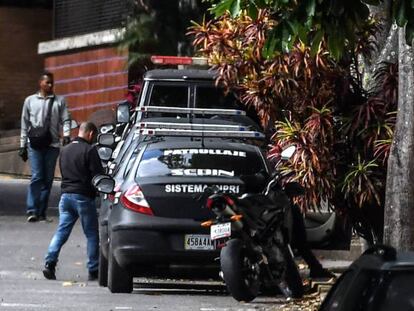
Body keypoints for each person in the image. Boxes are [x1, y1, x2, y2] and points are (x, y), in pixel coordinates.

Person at [42, 122, 104, 281]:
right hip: (83, 197)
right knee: (91, 234)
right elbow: (98, 175)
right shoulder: (89, 150)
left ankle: (49, 262)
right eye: (94, 136)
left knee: (62, 231)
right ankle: (93, 269)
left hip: (66, 197)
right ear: (90, 134)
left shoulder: (65, 150)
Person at [19, 71, 71, 222]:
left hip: (52, 144)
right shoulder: (30, 101)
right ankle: (32, 210)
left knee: (48, 179)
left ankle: (41, 212)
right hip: (34, 145)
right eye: (47, 82)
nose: (50, 85)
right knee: (37, 177)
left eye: (51, 82)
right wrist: (22, 145)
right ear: (40, 83)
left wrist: (66, 135)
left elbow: (66, 119)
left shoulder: (59, 101)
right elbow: (25, 123)